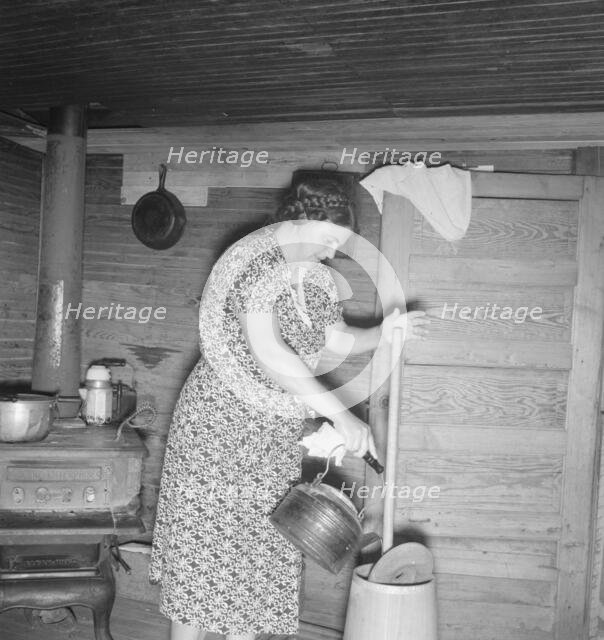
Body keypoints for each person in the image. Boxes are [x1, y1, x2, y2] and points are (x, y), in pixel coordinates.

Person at [149, 176, 428, 640]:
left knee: (256, 554)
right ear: (299, 219)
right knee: (205, 554)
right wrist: (340, 414)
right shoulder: (255, 264)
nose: (331, 254)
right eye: (327, 241)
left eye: (338, 247)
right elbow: (272, 353)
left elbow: (335, 337)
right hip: (216, 428)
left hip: (269, 437)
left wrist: (385, 330)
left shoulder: (313, 277)